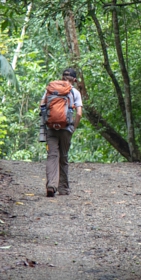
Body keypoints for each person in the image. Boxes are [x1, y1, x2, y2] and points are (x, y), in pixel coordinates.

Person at [40, 67, 83, 197]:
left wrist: (46, 123)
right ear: (74, 80)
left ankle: (51, 186)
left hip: (51, 127)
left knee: (52, 155)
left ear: (62, 77)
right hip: (66, 128)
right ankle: (63, 188)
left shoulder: (51, 89)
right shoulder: (74, 92)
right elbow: (79, 113)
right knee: (63, 157)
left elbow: (42, 106)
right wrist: (73, 128)